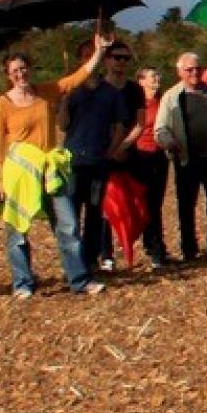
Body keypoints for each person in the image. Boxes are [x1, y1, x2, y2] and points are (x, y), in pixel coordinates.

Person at [0, 33, 107, 298]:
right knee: (17, 231)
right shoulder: (2, 104)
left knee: (67, 226)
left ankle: (79, 279)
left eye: (24, 68)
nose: (21, 74)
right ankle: (22, 283)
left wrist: (98, 52)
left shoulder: (45, 93)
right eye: (15, 71)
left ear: (30, 69)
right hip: (18, 174)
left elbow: (75, 79)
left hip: (50, 170)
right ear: (8, 75)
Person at [61, 40, 136, 273]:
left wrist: (110, 152)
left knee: (94, 214)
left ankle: (90, 259)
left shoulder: (111, 93)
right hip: (73, 162)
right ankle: (73, 263)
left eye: (94, 55)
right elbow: (63, 125)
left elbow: (119, 127)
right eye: (85, 56)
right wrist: (63, 102)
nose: (89, 60)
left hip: (98, 163)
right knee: (71, 214)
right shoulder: (72, 92)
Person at [155, 52, 207, 261]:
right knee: (186, 206)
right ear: (179, 72)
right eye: (189, 69)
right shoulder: (172, 97)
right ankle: (189, 249)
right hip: (188, 159)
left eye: (197, 68)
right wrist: (169, 142)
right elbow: (161, 128)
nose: (194, 73)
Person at [123, 65, 172, 269]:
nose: (156, 79)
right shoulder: (136, 103)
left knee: (156, 203)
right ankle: (153, 247)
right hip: (141, 156)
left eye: (157, 75)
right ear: (141, 80)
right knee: (145, 203)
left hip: (160, 155)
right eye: (152, 76)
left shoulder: (163, 101)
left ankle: (154, 247)